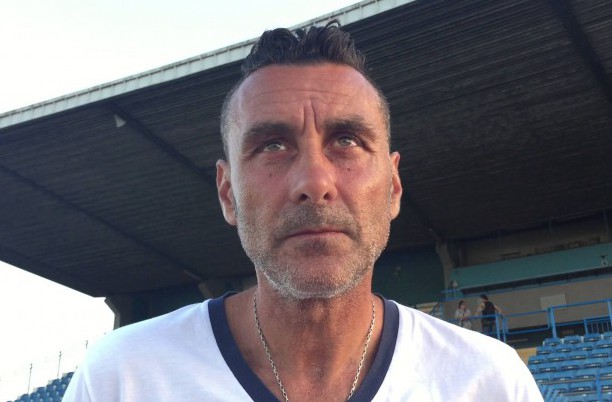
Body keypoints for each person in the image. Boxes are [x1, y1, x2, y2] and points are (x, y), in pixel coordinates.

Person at [62, 22, 542, 401]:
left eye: (347, 141)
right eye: (272, 145)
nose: (314, 182)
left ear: (393, 186)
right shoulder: (122, 379)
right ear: (227, 194)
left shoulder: (490, 383)